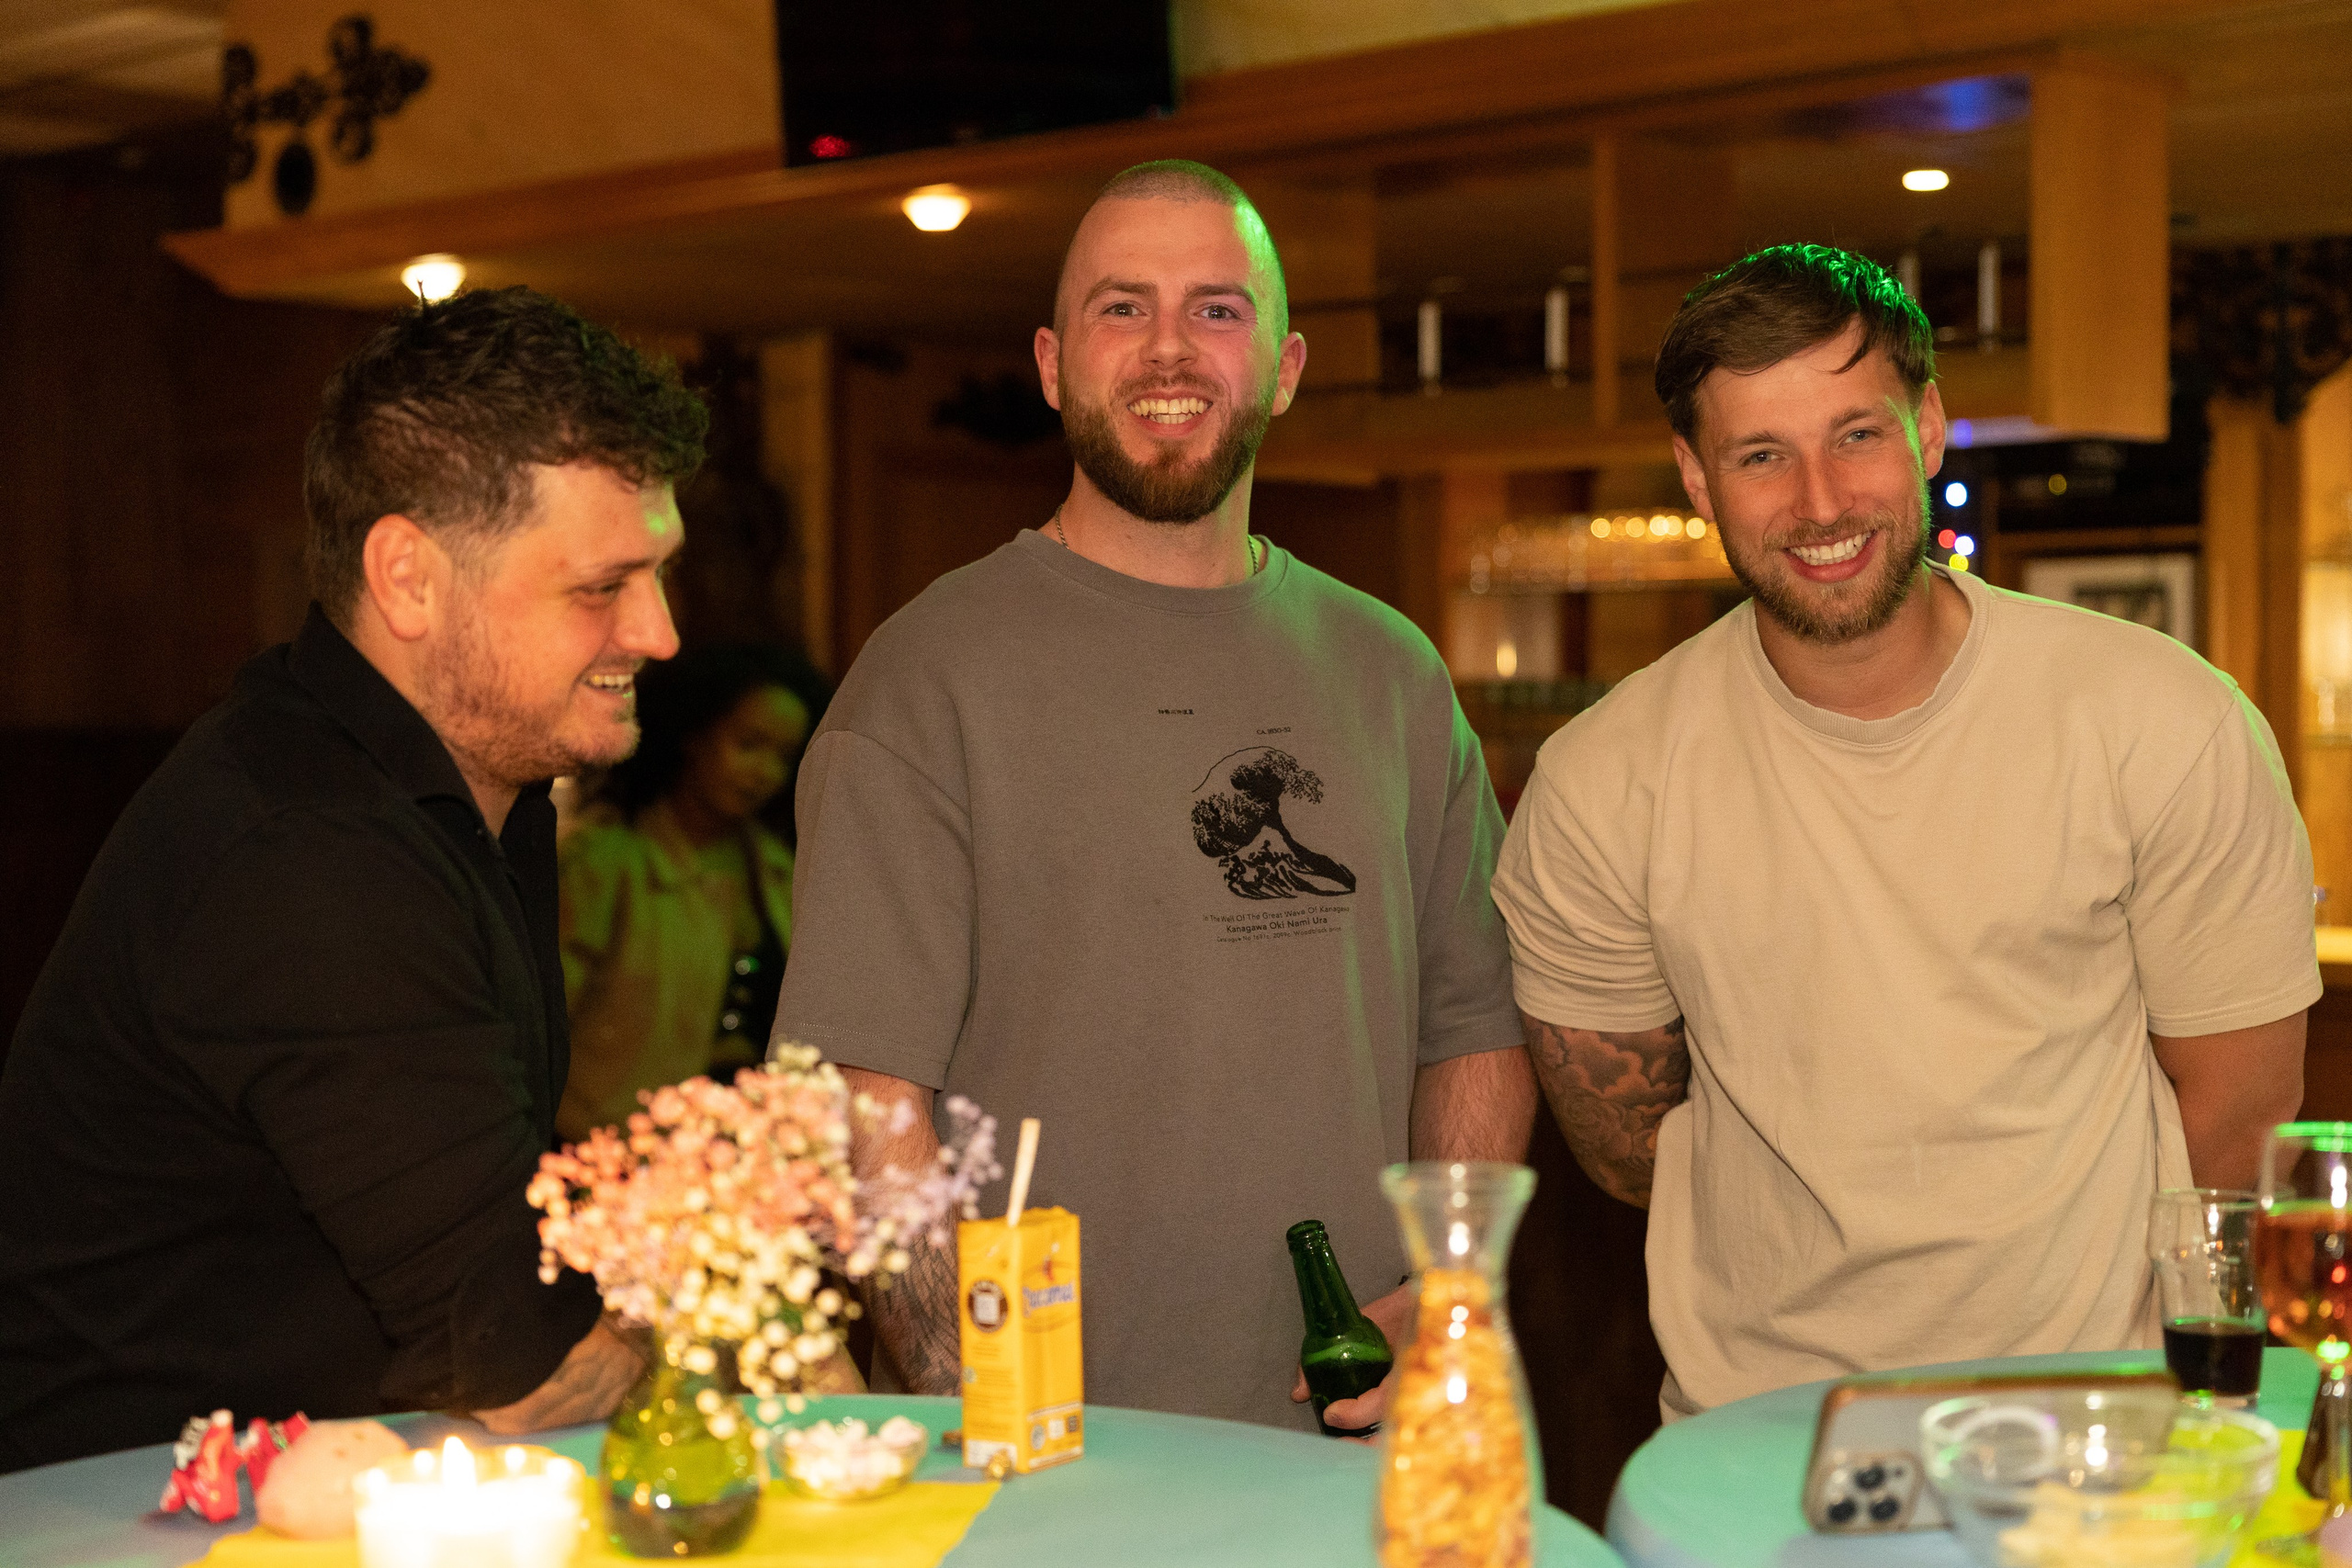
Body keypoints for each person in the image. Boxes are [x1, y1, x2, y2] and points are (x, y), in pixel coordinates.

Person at [1491, 243, 2322, 1418]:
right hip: (1757, 1432)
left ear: (1927, 427)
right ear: (1693, 476)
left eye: (1856, 435)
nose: (1820, 502)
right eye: (1761, 455)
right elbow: (1625, 1143)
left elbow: (2238, 1121)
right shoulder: (1598, 782)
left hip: (2096, 1416)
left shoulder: (2163, 719)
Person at [774, 160, 1536, 1432]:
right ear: (1052, 363)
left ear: (1286, 368)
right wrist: (975, 1402)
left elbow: (1474, 1024)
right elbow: (865, 1093)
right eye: (1121, 308)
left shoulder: (1389, 669)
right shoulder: (927, 676)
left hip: (1347, 1447)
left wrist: (1449, 1295)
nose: (1168, 349)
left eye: (1217, 310)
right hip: (1057, 1458)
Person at [0, 286, 707, 1470]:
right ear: (409, 578)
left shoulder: (461, 786)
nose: (661, 631)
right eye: (602, 586)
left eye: (659, 572)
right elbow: (522, 1370)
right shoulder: (306, 853)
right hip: (116, 1519)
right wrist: (744, 1349)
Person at [558, 641, 831, 1141]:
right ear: (695, 734)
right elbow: (547, 1022)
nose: (763, 772)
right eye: (749, 744)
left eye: (783, 756)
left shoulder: (777, 868)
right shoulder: (610, 862)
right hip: (615, 1150)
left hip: (749, 1157)